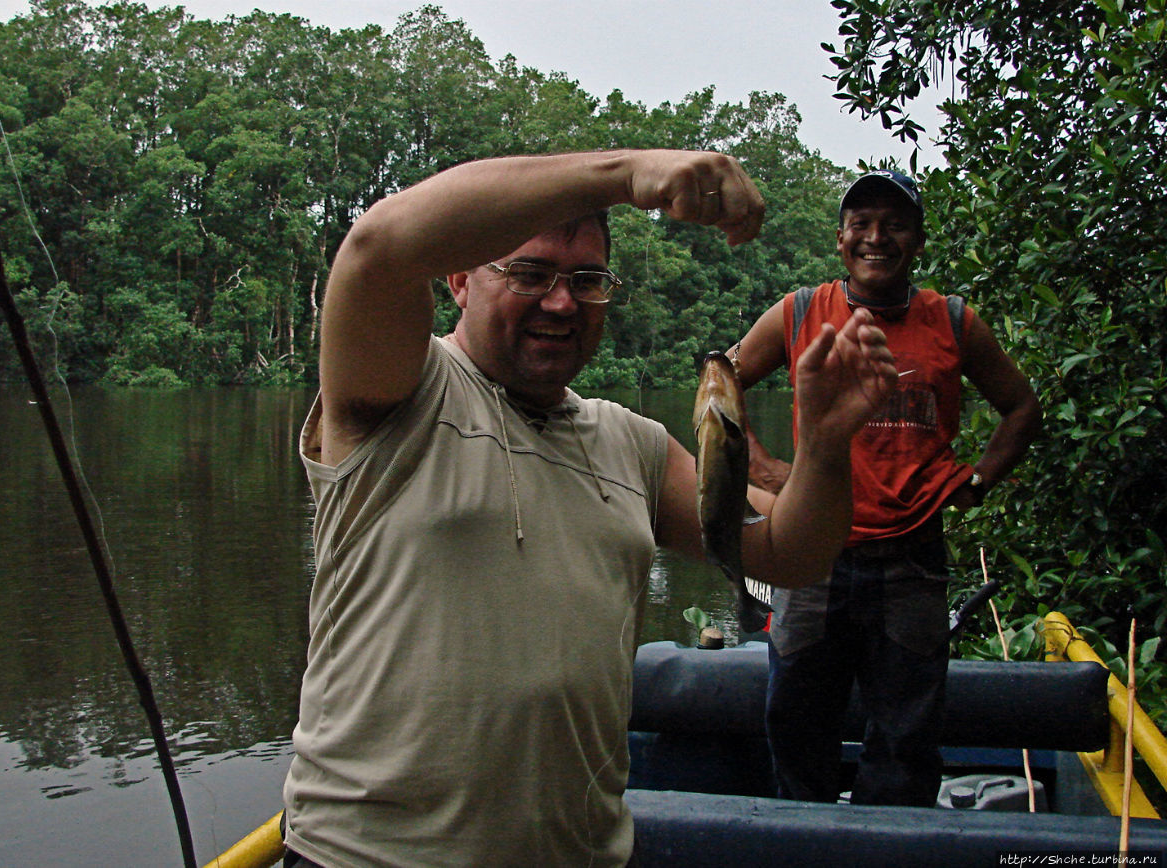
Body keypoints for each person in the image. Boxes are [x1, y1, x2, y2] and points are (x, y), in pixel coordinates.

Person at [283, 150, 898, 867]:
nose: (561, 302)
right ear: (457, 276)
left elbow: (790, 553)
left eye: (587, 280)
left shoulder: (630, 444)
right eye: (529, 273)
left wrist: (824, 447)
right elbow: (377, 248)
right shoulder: (401, 391)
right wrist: (627, 176)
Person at [729, 169, 1042, 808]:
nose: (877, 237)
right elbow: (720, 381)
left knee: (906, 736)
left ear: (917, 241)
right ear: (841, 239)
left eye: (895, 224)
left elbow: (1021, 408)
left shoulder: (952, 321)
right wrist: (762, 470)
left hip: (912, 561)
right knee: (794, 721)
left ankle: (892, 844)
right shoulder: (799, 312)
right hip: (810, 556)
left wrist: (976, 482)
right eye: (862, 224)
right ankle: (802, 841)